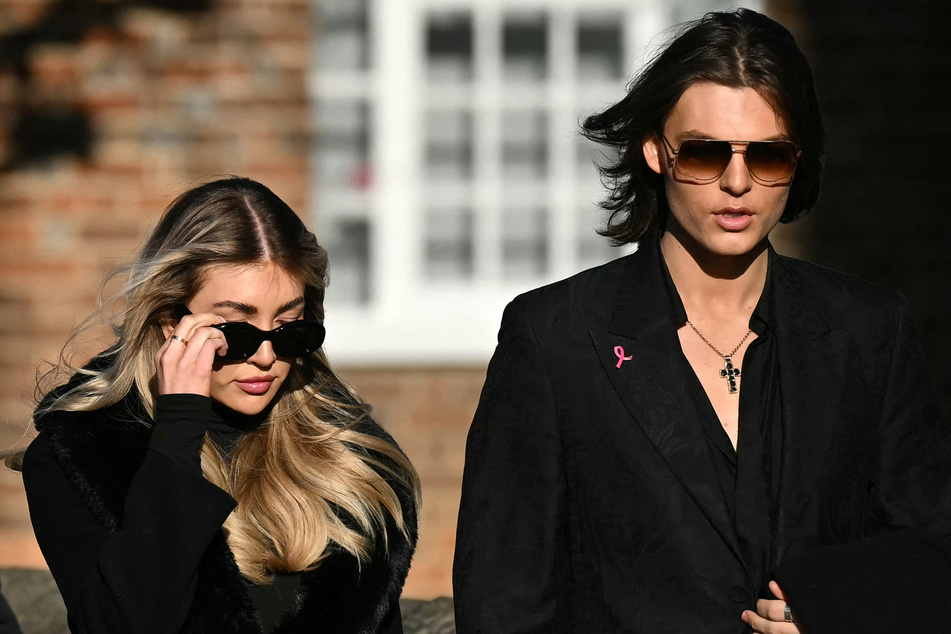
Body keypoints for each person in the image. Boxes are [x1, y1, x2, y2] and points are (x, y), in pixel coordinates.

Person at [452, 8, 951, 634]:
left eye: (768, 157)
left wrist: (834, 606)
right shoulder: (554, 337)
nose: (737, 181)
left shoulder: (869, 331)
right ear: (657, 154)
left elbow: (933, 548)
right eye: (706, 153)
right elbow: (504, 602)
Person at [18, 177, 420, 633]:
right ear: (170, 323)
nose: (266, 357)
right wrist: (179, 433)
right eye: (238, 332)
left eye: (289, 328)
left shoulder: (346, 455)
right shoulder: (80, 458)